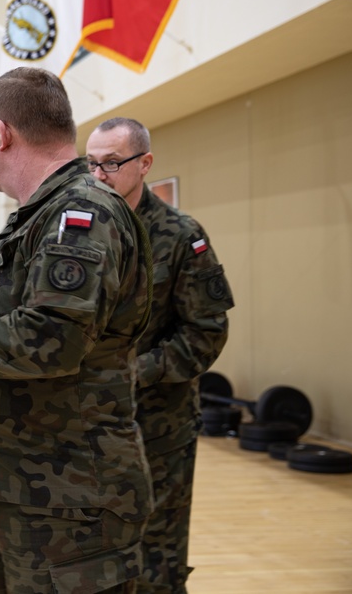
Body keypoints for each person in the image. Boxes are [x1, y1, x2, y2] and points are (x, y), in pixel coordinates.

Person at [0, 67, 154, 594]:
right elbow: (31, 318)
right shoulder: (36, 216)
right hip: (23, 485)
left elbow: (52, 340)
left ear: (3, 134)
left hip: (70, 500)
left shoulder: (80, 213)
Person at [86, 117, 234, 594]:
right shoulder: (81, 229)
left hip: (158, 425)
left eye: (111, 163)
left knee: (158, 552)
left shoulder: (181, 235)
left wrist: (135, 373)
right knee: (95, 548)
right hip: (88, 424)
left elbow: (206, 332)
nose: (98, 175)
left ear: (144, 163)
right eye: (91, 164)